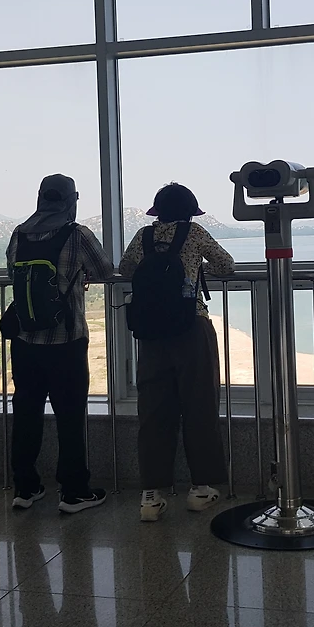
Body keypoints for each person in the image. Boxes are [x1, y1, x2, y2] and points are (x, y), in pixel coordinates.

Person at [120, 183, 235, 522]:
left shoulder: (144, 236)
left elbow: (126, 268)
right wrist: (197, 270)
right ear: (190, 211)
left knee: (153, 410)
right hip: (191, 326)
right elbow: (226, 265)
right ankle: (200, 489)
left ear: (157, 212)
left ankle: (150, 496)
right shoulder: (194, 233)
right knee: (199, 405)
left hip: (152, 333)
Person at [4, 174, 114, 513]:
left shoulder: (19, 233)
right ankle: (73, 491)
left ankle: (25, 488)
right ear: (70, 201)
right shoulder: (77, 234)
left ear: (40, 198)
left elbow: (12, 275)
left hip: (25, 341)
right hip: (66, 341)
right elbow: (105, 270)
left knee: (26, 413)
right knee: (69, 416)